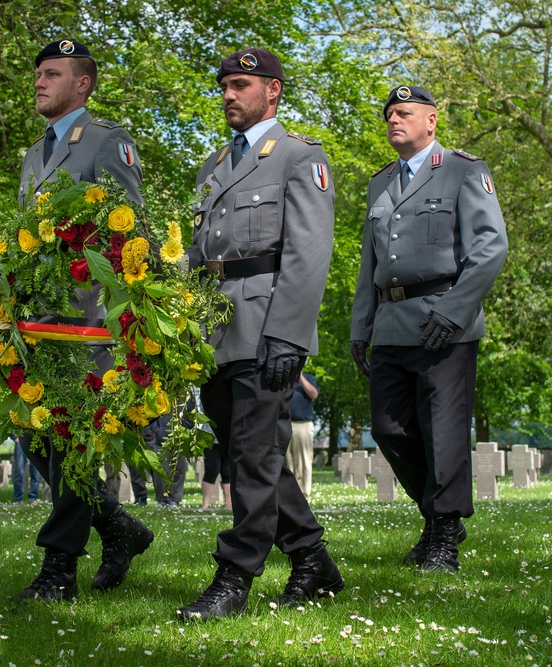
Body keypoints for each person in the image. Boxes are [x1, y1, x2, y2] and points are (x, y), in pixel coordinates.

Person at [178, 48, 343, 621]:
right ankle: (312, 558)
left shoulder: (299, 157)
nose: (229, 94)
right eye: (224, 85)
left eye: (241, 84)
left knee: (250, 455)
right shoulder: (213, 167)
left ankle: (235, 576)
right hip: (217, 332)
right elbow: (198, 256)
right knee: (254, 454)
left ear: (272, 90)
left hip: (269, 325)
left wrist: (289, 335)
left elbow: (308, 252)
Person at [11, 39, 153, 603]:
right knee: (34, 431)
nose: (40, 82)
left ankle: (58, 570)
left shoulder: (104, 141)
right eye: (38, 74)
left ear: (83, 84)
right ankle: (119, 528)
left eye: (52, 74)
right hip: (38, 320)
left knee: (70, 439)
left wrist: (125, 316)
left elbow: (131, 224)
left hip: (87, 317)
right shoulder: (32, 155)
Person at [349, 85, 508, 572]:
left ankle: (442, 536)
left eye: (404, 113)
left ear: (432, 120)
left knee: (444, 434)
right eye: (389, 115)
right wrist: (361, 328)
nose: (394, 120)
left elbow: (490, 247)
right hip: (392, 324)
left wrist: (455, 311)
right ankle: (442, 514)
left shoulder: (463, 170)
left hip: (445, 323)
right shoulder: (381, 183)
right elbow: (369, 264)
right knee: (389, 429)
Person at [286, 368, 318, 501]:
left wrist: (300, 376)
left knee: (304, 461)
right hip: (285, 424)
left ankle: (304, 496)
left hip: (303, 424)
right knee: (286, 462)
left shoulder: (309, 378)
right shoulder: (284, 379)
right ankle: (289, 495)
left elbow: (314, 394)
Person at [11, 434, 41, 504]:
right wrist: (14, 437)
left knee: (35, 473)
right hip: (21, 440)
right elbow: (10, 424)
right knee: (19, 472)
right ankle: (18, 499)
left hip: (36, 440)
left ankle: (33, 499)